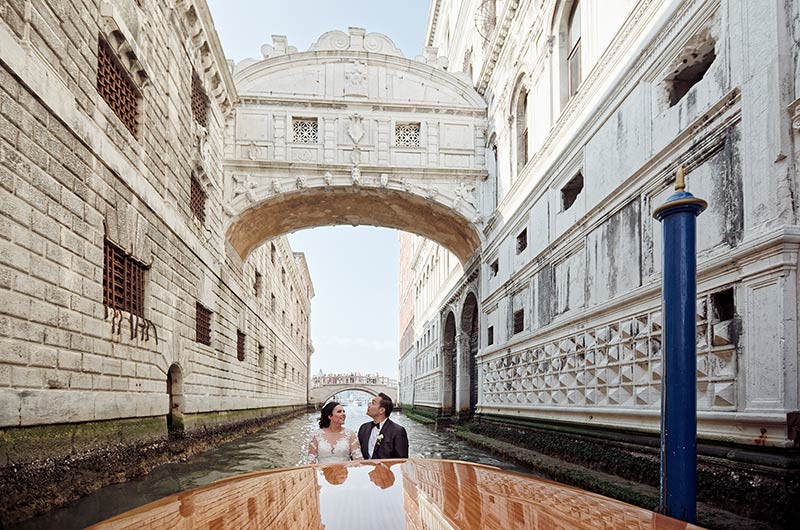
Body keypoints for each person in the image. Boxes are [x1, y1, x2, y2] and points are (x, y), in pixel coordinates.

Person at [358, 393, 409, 459]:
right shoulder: (363, 428)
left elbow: (402, 459)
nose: (369, 405)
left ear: (381, 410)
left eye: (373, 403)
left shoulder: (398, 431)